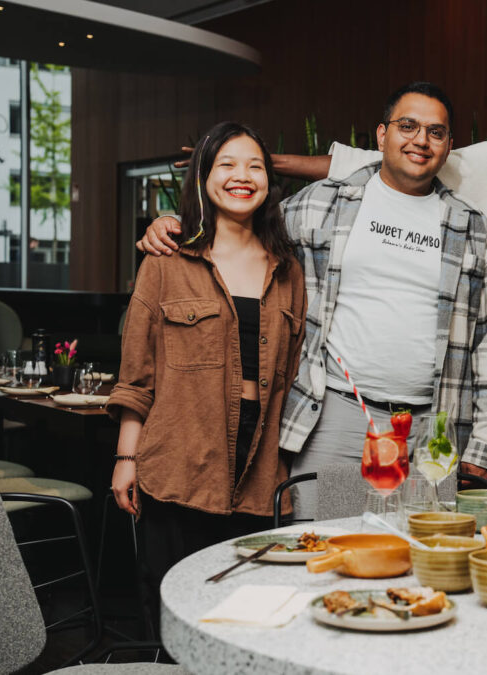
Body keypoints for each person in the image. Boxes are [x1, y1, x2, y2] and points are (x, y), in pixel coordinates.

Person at [136, 83, 487, 517]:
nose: (420, 140)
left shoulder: (473, 229)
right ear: (381, 135)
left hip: (434, 428)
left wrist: (484, 448)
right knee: (329, 550)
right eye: (407, 126)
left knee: (421, 557)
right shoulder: (324, 204)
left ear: (449, 146)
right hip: (339, 420)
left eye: (435, 132)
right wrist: (177, 224)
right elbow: (241, 229)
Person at [107, 121, 307, 620]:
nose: (243, 176)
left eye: (255, 166)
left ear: (269, 183)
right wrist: (126, 459)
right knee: (175, 614)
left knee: (243, 616)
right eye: (227, 164)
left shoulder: (288, 269)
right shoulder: (166, 260)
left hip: (259, 472)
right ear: (203, 175)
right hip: (178, 466)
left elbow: (292, 373)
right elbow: (138, 373)